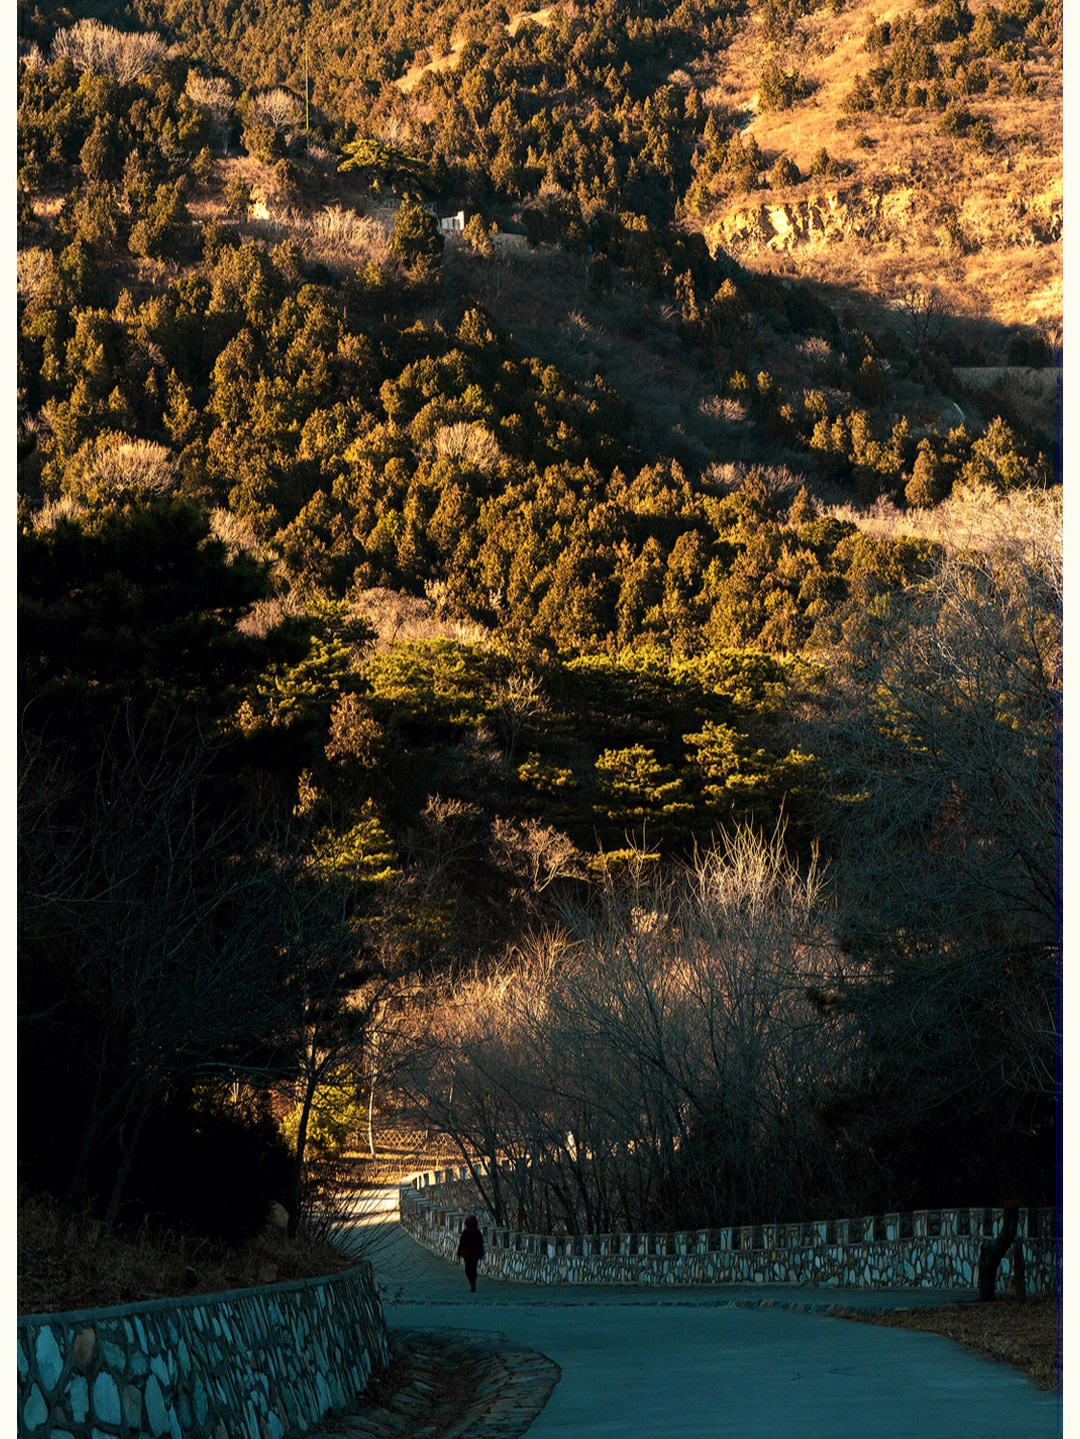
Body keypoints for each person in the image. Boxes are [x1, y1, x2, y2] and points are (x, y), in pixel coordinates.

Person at [457, 1214, 485, 1292]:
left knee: (468, 1270)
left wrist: (459, 1252)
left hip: (468, 1254)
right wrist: (481, 1253)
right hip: (475, 1254)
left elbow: (461, 1244)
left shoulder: (465, 1232)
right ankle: (473, 1282)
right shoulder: (478, 1232)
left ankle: (472, 1283)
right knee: (473, 1269)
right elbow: (481, 1244)